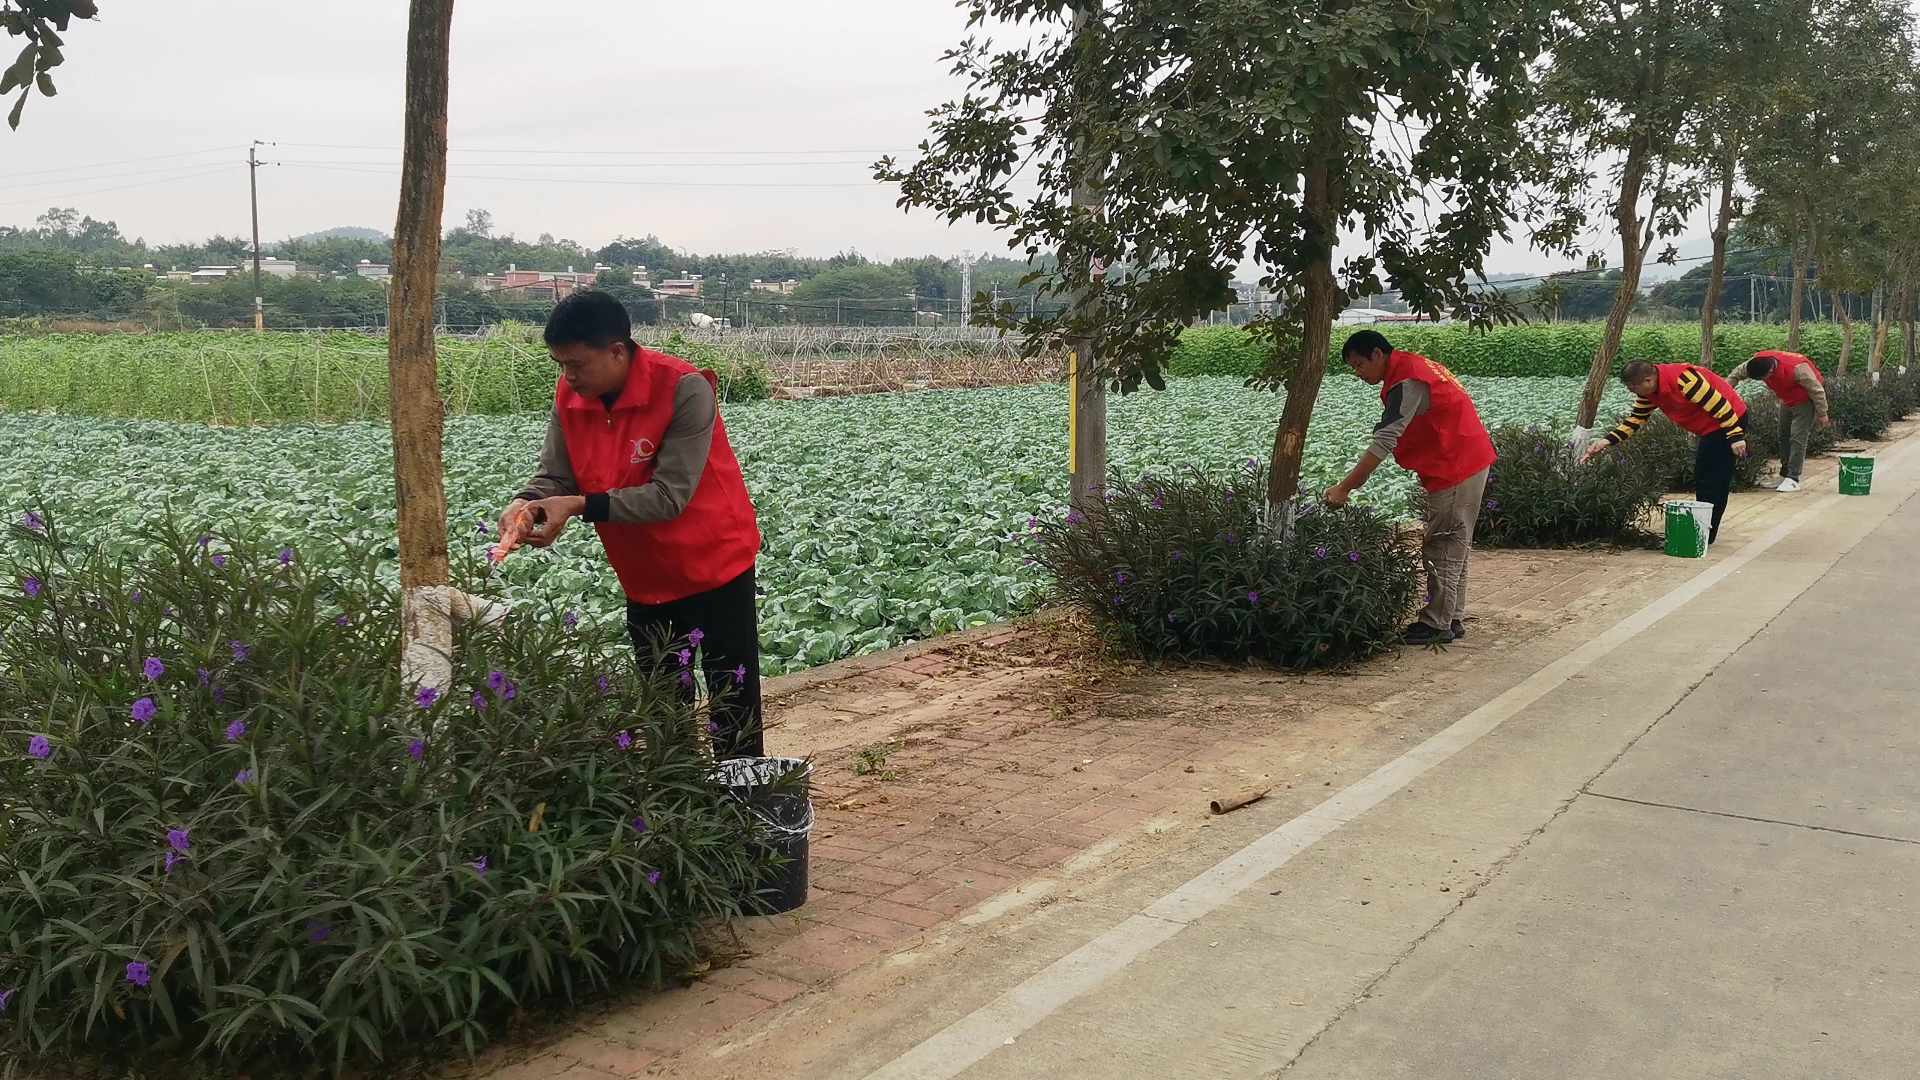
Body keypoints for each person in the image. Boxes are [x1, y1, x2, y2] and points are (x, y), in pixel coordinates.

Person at [501, 291, 766, 758]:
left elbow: (669, 496)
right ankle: (674, 792)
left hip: (714, 562)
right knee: (662, 701)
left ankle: (744, 795)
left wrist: (578, 505)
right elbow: (555, 474)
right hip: (644, 574)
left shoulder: (684, 389)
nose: (568, 376)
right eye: (560, 364)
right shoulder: (570, 396)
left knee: (731, 696)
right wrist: (527, 502)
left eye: (576, 364)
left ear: (617, 351)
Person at [1325, 329, 1497, 645]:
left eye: (1359, 364)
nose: (1358, 373)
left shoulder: (1408, 380)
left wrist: (1345, 487)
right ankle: (1451, 617)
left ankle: (1435, 623)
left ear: (1378, 354)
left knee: (1443, 543)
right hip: (1468, 457)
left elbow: (1385, 439)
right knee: (1455, 543)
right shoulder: (1414, 367)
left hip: (1456, 463)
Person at [1580, 359, 1747, 545]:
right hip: (1713, 427)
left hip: (1729, 421)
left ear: (1648, 380)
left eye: (1632, 387)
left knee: (1709, 479)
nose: (1632, 392)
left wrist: (1735, 436)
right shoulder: (1648, 393)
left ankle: (1703, 534)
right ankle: (1705, 532)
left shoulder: (1684, 380)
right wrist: (1606, 441)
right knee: (1710, 478)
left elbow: (1721, 406)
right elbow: (1636, 419)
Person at [1728, 350, 1829, 492]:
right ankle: (1785, 474)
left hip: (1805, 401)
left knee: (1798, 438)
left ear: (1770, 371)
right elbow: (1735, 375)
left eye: (1762, 379)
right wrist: (1723, 394)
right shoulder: (1757, 362)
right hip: (1786, 400)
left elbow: (1817, 390)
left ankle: (1793, 479)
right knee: (1782, 435)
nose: (1762, 381)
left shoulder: (1798, 369)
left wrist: (1822, 413)